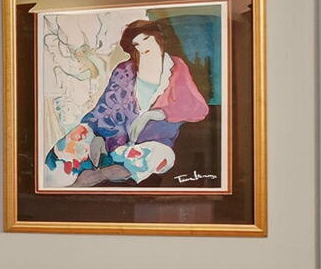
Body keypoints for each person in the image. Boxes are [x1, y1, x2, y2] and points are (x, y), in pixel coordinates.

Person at [46, 19, 210, 186]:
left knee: (161, 156)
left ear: (158, 38)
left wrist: (155, 114)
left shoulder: (176, 67)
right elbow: (106, 107)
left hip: (153, 140)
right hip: (116, 137)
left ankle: (101, 174)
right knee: (75, 138)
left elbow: (197, 107)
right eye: (136, 44)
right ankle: (55, 182)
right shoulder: (125, 70)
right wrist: (101, 136)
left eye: (146, 39)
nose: (142, 47)